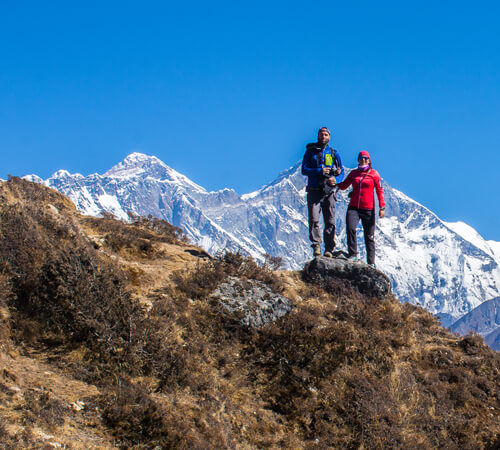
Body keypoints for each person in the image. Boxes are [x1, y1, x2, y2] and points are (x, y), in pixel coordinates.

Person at [337, 150, 385, 266]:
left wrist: (382, 207)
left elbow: (379, 190)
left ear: (369, 160)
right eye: (361, 158)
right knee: (351, 228)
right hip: (354, 208)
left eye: (366, 158)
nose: (363, 160)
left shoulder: (374, 174)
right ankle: (353, 254)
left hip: (368, 209)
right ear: (358, 160)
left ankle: (371, 263)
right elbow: (343, 186)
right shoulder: (354, 173)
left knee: (369, 236)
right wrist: (336, 178)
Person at [302, 127, 344, 257]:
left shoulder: (333, 153)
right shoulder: (310, 152)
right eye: (321, 134)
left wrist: (336, 180)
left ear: (329, 137)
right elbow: (304, 170)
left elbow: (341, 171)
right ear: (318, 136)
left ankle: (329, 248)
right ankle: (316, 246)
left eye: (325, 135)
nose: (323, 137)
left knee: (330, 220)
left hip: (329, 191)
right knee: (314, 219)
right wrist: (319, 171)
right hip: (314, 190)